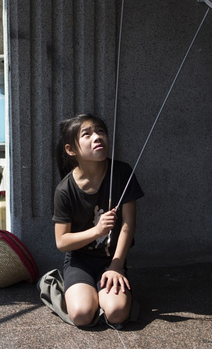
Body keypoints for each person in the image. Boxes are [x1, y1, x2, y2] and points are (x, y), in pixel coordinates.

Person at [52, 113, 144, 327]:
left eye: (100, 131)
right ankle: (59, 286)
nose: (97, 137)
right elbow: (61, 242)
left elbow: (128, 225)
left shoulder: (122, 172)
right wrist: (97, 230)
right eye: (87, 134)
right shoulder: (64, 190)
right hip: (79, 261)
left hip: (111, 259)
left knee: (117, 312)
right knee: (82, 315)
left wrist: (117, 265)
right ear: (71, 150)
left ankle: (104, 294)